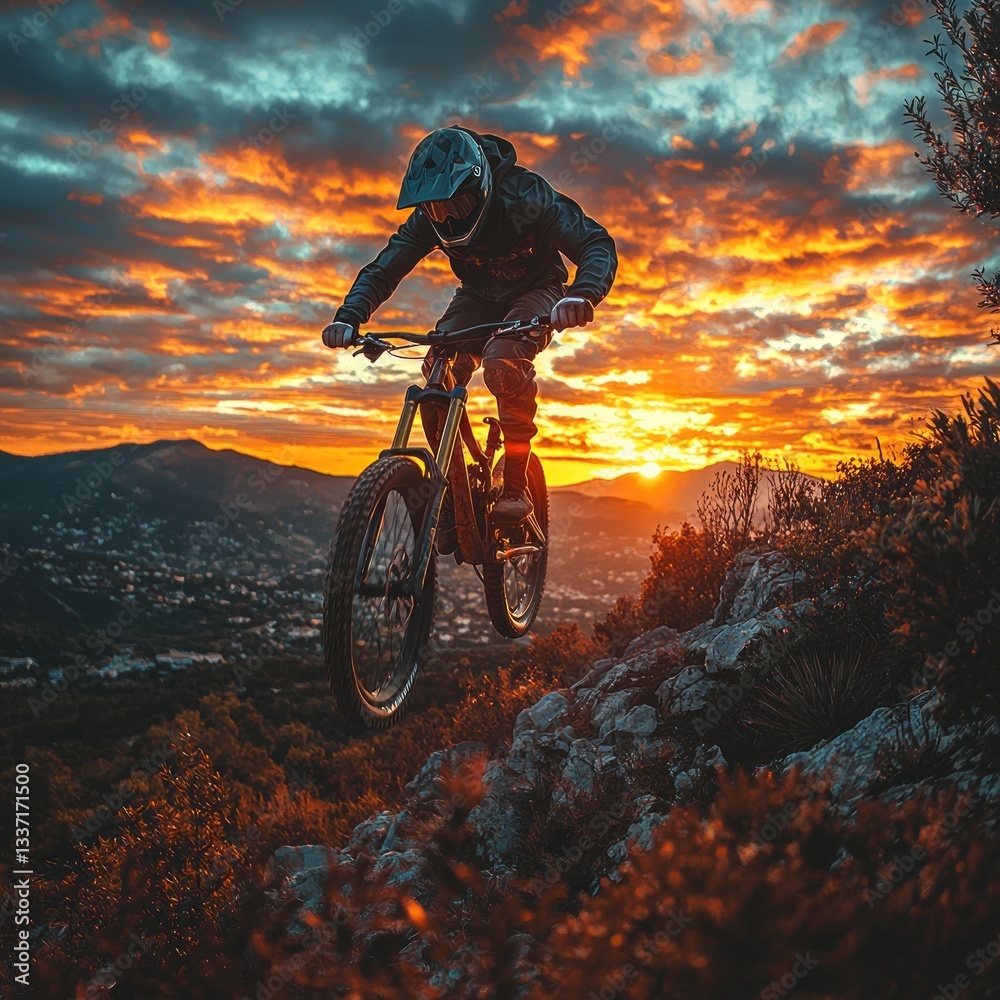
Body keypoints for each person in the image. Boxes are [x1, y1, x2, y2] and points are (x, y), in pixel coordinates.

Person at [322, 124, 617, 543]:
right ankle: (453, 493)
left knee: (502, 363)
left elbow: (594, 242)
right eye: (435, 210)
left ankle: (515, 484)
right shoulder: (430, 217)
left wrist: (582, 295)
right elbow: (386, 266)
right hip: (478, 295)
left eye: (455, 205)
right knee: (437, 375)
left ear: (478, 188)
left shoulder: (524, 195)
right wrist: (349, 317)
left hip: (538, 292)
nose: (445, 217)